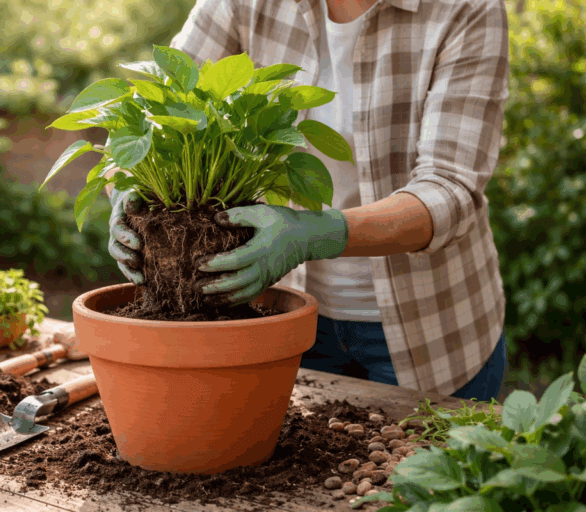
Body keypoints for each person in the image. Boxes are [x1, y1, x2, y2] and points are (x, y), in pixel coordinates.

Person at [107, 0, 510, 401]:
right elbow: (155, 104)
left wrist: (313, 234)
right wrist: (126, 186)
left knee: (416, 460)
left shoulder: (467, 9)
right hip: (278, 311)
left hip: (431, 329)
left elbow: (449, 189)